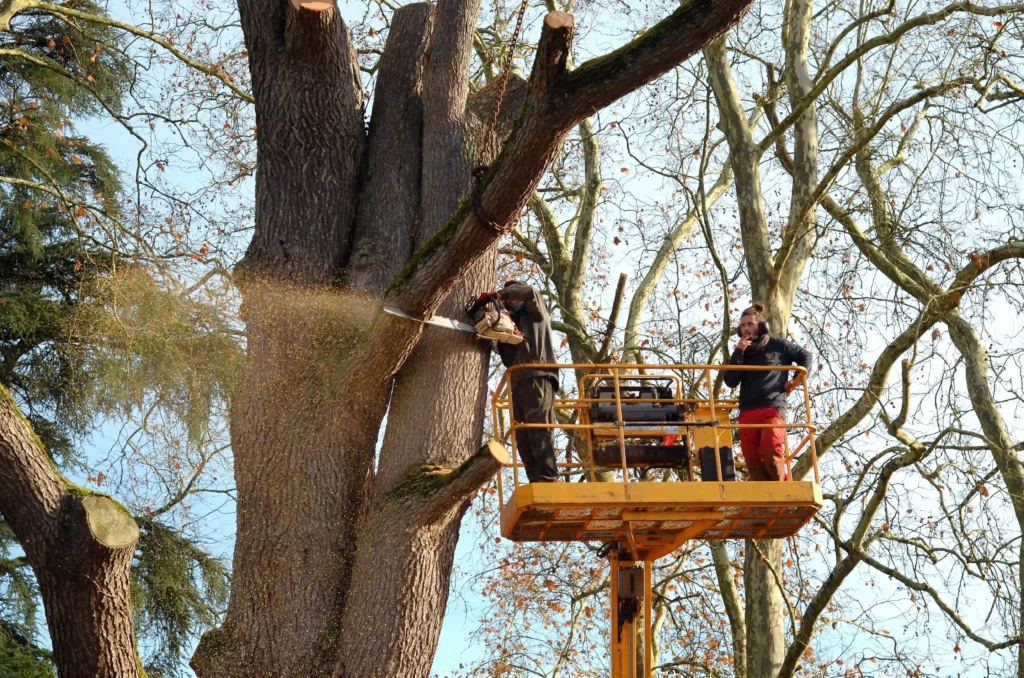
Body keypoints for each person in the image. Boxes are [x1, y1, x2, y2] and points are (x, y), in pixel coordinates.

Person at [478, 281, 559, 483]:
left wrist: (498, 294)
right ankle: (536, 481)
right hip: (517, 383)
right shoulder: (513, 322)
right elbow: (507, 360)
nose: (511, 300)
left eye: (513, 294)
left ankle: (548, 478)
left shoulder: (535, 312)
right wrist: (502, 335)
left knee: (538, 428)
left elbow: (530, 291)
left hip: (537, 376)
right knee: (522, 437)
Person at [723, 303, 812, 481]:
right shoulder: (740, 353)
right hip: (747, 411)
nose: (747, 328)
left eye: (750, 324)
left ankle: (783, 487)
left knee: (770, 449)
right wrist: (739, 351)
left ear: (762, 326)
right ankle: (766, 497)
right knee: (752, 460)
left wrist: (794, 381)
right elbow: (730, 381)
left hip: (772, 407)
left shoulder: (778, 345)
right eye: (743, 325)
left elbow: (806, 356)